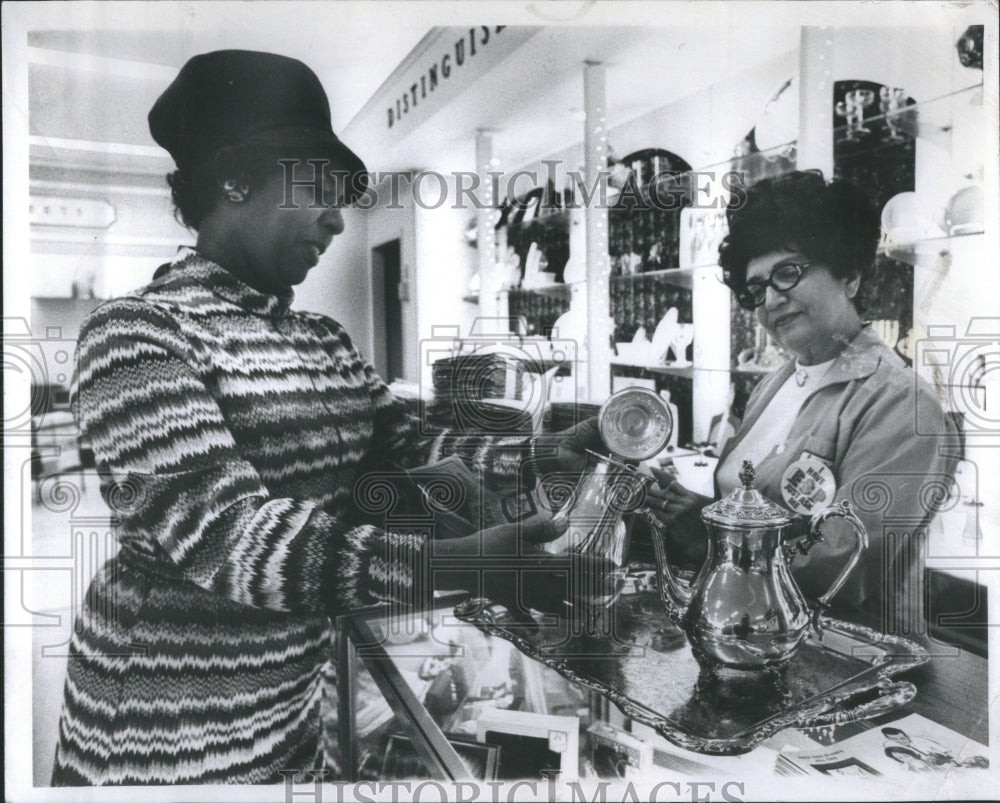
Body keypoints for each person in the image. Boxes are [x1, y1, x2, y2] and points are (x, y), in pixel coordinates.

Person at [51, 50, 602, 786]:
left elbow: (405, 445)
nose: (339, 220)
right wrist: (454, 565)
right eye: (320, 187)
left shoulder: (320, 340)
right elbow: (227, 533)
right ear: (235, 178)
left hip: (287, 708)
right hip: (161, 732)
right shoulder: (135, 335)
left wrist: (549, 454)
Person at [647, 170, 958, 635]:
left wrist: (704, 538)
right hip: (751, 639)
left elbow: (842, 567)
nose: (770, 299)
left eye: (788, 273)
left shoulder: (903, 402)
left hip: (851, 663)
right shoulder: (776, 384)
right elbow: (750, 509)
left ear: (849, 275)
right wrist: (689, 509)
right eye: (756, 290)